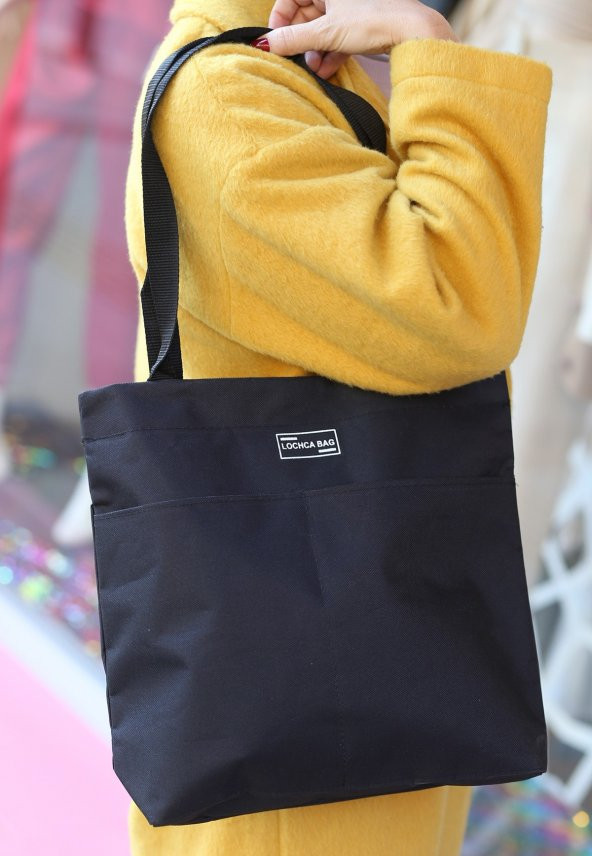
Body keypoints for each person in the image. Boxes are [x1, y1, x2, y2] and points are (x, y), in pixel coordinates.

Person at [124, 0, 552, 853]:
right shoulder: (229, 96)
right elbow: (455, 308)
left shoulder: (302, 75)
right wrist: (431, 49)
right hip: (303, 756)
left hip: (352, 675)